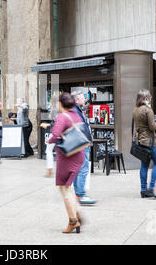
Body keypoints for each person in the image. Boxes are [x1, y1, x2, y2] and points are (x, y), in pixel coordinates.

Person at [46, 92, 85, 234]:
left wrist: (48, 140)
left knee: (64, 189)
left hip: (67, 157)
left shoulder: (62, 116)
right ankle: (77, 212)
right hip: (78, 154)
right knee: (69, 188)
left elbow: (55, 135)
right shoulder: (76, 114)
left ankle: (73, 221)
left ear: (60, 104)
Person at [133, 89, 156, 199]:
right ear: (146, 98)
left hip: (140, 141)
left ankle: (143, 190)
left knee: (144, 165)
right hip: (150, 142)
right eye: (150, 96)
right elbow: (152, 127)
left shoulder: (136, 109)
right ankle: (150, 188)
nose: (151, 97)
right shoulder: (148, 110)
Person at [72, 92, 96, 205]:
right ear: (77, 100)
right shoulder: (76, 111)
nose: (85, 99)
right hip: (82, 144)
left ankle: (78, 193)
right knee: (83, 168)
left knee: (79, 168)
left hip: (79, 143)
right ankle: (81, 194)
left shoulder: (75, 109)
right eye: (82, 97)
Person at [40, 96, 59, 178]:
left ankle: (50, 171)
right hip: (61, 133)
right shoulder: (61, 109)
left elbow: (56, 123)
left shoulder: (55, 109)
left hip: (55, 133)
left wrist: (47, 126)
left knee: (49, 151)